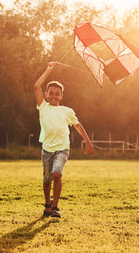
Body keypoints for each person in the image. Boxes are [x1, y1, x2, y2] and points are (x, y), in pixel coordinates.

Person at [34, 62, 94, 218]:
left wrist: (87, 141)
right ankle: (47, 204)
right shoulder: (43, 107)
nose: (54, 96)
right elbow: (36, 86)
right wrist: (49, 70)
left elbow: (78, 125)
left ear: (61, 96)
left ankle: (55, 207)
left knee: (56, 175)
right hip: (47, 149)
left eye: (57, 94)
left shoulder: (67, 111)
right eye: (51, 93)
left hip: (62, 148)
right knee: (47, 179)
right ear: (46, 94)